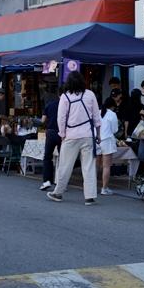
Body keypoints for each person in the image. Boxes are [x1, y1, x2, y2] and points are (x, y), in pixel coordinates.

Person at [49, 72, 102, 206]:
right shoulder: (90, 94)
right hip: (88, 135)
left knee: (65, 165)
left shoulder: (65, 97)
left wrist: (62, 134)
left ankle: (58, 192)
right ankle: (89, 197)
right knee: (89, 166)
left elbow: (60, 118)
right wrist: (98, 134)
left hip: (71, 135)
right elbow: (97, 116)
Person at [99, 94, 121, 196]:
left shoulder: (98, 112)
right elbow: (115, 130)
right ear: (112, 106)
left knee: (94, 166)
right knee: (106, 166)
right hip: (107, 141)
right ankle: (104, 188)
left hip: (96, 141)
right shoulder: (112, 114)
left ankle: (91, 186)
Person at [39, 87, 61, 192]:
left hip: (51, 132)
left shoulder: (50, 105)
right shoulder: (69, 105)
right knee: (64, 159)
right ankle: (60, 182)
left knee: (47, 157)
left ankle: (47, 181)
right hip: (63, 134)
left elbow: (43, 120)